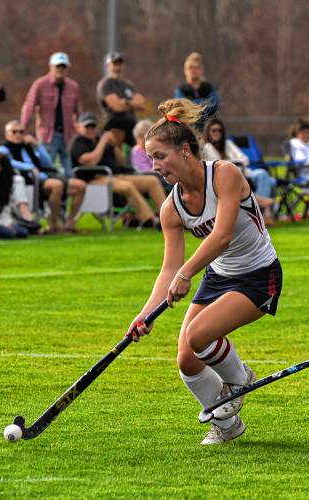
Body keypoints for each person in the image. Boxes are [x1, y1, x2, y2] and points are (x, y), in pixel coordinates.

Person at [127, 98, 282, 446]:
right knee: (186, 358)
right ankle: (228, 427)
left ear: (184, 151)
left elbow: (222, 234)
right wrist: (146, 314)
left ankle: (240, 380)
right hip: (219, 277)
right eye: (150, 158)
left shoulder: (224, 174)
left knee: (198, 337)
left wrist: (186, 273)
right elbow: (169, 268)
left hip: (259, 274)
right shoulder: (171, 207)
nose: (154, 166)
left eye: (159, 156)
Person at [69, 112, 165, 227]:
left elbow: (121, 162)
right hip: (94, 179)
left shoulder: (99, 139)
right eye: (87, 126)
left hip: (116, 175)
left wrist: (114, 145)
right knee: (127, 187)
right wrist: (102, 142)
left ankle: (167, 217)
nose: (91, 129)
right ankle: (150, 220)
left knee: (152, 181)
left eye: (93, 126)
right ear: (79, 127)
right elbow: (90, 161)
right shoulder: (78, 142)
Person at [0, 120, 87, 233]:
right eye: (14, 132)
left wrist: (37, 145)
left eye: (21, 132)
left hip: (44, 177)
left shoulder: (28, 147)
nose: (18, 135)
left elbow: (48, 163)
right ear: (7, 134)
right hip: (28, 180)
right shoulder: (4, 149)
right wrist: (29, 167)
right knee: (57, 185)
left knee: (80, 186)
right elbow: (8, 162)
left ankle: (69, 222)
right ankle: (53, 224)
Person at [202, 118, 276, 225]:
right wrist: (234, 163)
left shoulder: (228, 143)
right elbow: (216, 165)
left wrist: (229, 163)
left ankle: (259, 212)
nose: (217, 133)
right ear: (208, 132)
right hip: (223, 180)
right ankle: (261, 211)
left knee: (265, 176)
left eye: (220, 130)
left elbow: (244, 159)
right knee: (269, 181)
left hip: (244, 173)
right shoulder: (206, 147)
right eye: (214, 130)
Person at [21, 52, 82, 179]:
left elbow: (78, 111)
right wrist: (23, 130)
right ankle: (48, 197)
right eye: (57, 66)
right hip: (47, 135)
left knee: (69, 172)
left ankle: (65, 198)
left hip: (67, 135)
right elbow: (29, 106)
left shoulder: (73, 86)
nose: (60, 70)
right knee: (48, 169)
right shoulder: (40, 84)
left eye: (63, 67)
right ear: (51, 67)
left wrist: (79, 130)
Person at [96, 52, 146, 147]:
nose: (118, 67)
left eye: (120, 64)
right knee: (115, 155)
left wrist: (126, 102)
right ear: (108, 65)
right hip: (114, 125)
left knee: (145, 144)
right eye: (115, 64)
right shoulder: (105, 84)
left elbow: (142, 105)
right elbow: (117, 107)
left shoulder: (128, 85)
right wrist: (132, 103)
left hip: (131, 124)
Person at [174, 53, 219, 130]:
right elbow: (181, 108)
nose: (193, 70)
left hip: (208, 130)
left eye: (196, 67)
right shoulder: (180, 90)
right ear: (185, 70)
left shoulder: (210, 88)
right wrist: (204, 103)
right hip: (188, 130)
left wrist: (190, 104)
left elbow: (213, 106)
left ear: (202, 70)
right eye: (190, 67)